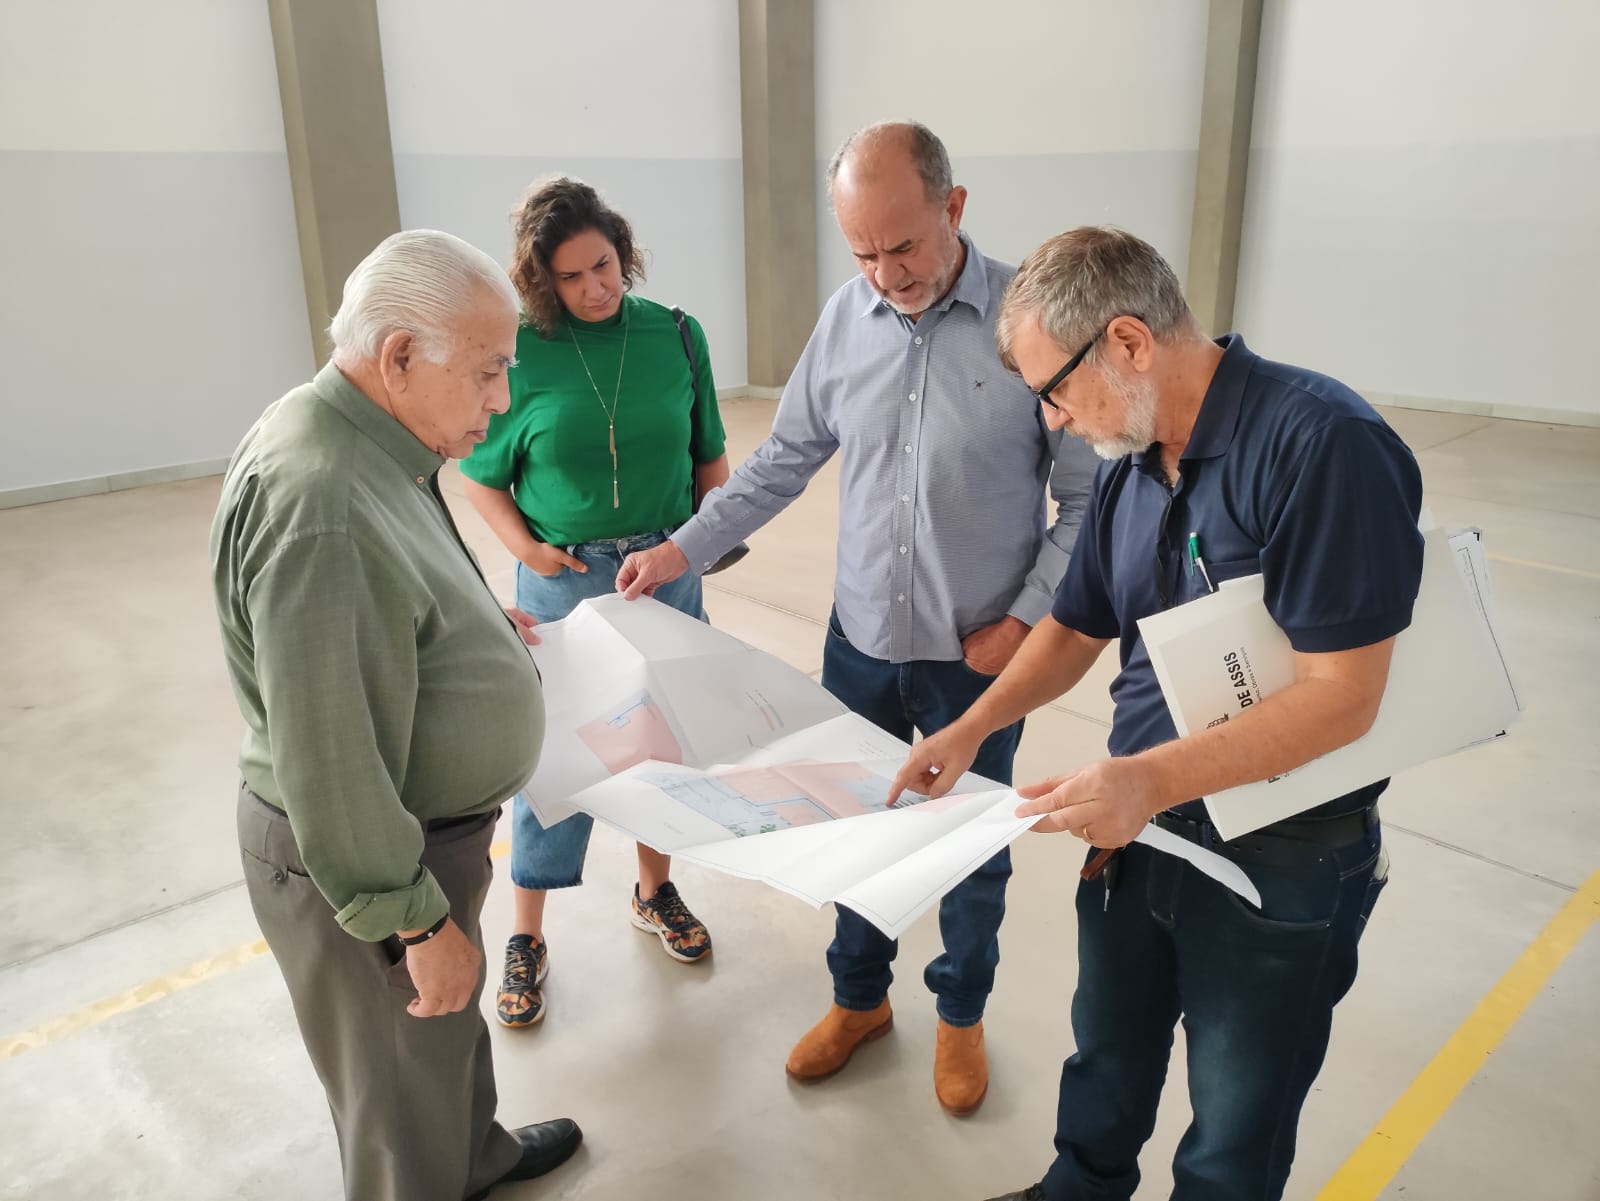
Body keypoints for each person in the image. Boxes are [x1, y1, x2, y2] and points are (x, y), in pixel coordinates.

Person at [886, 227, 1424, 1201]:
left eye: (1055, 389)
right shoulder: (1133, 459)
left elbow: (1344, 696)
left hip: (1280, 851)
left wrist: (1144, 778)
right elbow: (1074, 624)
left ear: (1128, 342)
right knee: (1106, 1056)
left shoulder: (1319, 445)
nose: (1052, 421)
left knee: (1233, 1122)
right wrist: (969, 727)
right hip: (1137, 834)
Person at [616, 121, 1098, 1114]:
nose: (886, 273)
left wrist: (1020, 621)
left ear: (953, 208)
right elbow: (781, 461)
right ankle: (859, 999)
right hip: (862, 647)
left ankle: (959, 1016)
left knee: (971, 846)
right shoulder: (845, 318)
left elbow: (1089, 502)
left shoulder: (1031, 324)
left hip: (981, 659)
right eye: (864, 253)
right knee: (857, 831)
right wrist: (681, 549)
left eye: (904, 246)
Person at [209, 230, 582, 1201]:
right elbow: (329, 758)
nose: (502, 400)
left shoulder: (370, 437)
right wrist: (415, 922)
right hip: (378, 855)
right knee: (396, 1105)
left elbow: (389, 602)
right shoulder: (322, 499)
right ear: (402, 355)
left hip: (422, 832)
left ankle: (477, 1158)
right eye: (491, 371)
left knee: (440, 1051)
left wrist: (468, 627)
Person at [460, 177, 730, 1029]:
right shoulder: (524, 352)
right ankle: (527, 934)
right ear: (543, 282)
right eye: (572, 278)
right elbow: (482, 477)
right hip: (560, 583)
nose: (595, 289)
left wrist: (686, 549)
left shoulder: (677, 336)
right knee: (552, 765)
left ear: (623, 248)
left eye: (604, 266)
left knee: (658, 747)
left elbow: (711, 462)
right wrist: (528, 551)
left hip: (664, 573)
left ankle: (656, 890)